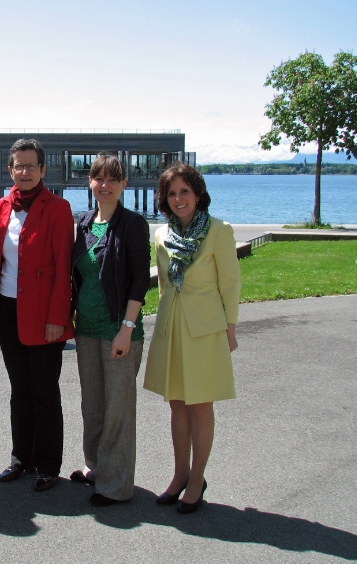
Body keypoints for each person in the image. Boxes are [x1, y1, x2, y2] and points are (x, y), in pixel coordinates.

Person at [143, 163, 240, 514]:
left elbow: (230, 283)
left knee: (200, 405)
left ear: (198, 194)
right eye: (172, 193)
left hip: (205, 330)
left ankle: (197, 478)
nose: (179, 198)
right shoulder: (161, 234)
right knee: (176, 403)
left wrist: (230, 328)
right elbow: (163, 284)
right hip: (171, 326)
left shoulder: (219, 231)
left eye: (185, 191)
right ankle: (179, 473)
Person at [0, 138, 75, 492]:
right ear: (10, 170)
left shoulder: (58, 208)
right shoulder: (1, 207)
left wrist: (58, 317)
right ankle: (20, 457)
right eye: (18, 166)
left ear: (43, 169)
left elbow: (63, 267)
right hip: (8, 308)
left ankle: (47, 464)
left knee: (44, 391)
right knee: (19, 389)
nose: (24, 172)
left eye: (31, 165)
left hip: (43, 312)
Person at [69, 153, 151, 506]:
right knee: (93, 405)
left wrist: (126, 328)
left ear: (124, 185)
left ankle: (116, 486)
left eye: (112, 179)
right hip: (86, 329)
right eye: (98, 178)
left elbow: (140, 280)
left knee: (117, 408)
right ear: (90, 182)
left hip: (119, 329)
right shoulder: (84, 223)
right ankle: (96, 468)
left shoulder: (133, 224)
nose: (104, 185)